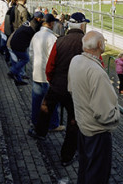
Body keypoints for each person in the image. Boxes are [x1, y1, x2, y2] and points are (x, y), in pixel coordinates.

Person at [32, 12, 89, 167]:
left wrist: (52, 81)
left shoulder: (60, 41)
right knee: (73, 122)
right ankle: (66, 156)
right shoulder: (86, 43)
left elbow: (50, 66)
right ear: (82, 25)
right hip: (76, 90)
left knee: (46, 107)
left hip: (57, 85)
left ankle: (40, 132)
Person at [68, 31, 120, 184]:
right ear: (99, 45)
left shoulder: (76, 60)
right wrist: (117, 114)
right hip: (97, 134)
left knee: (85, 170)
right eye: (103, 40)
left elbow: (71, 89)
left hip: (83, 127)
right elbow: (105, 114)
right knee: (97, 176)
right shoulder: (96, 72)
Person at [30, 14, 61, 133]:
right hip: (47, 75)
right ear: (51, 23)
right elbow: (54, 58)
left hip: (37, 72)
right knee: (51, 102)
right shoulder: (51, 38)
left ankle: (35, 121)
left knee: (36, 100)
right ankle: (53, 124)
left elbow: (31, 52)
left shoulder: (36, 35)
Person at [9, 11, 43, 85]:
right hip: (18, 45)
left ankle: (18, 79)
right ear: (38, 19)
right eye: (41, 18)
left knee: (19, 61)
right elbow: (36, 34)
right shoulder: (34, 26)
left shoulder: (29, 22)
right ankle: (12, 71)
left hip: (14, 42)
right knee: (25, 59)